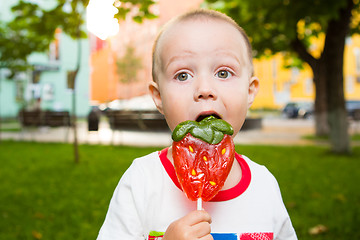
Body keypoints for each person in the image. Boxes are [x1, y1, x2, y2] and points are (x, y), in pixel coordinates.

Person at [97, 9, 297, 240]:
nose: (204, 89)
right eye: (183, 75)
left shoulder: (265, 186)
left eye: (223, 73)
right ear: (158, 96)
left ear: (249, 91)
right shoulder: (143, 182)